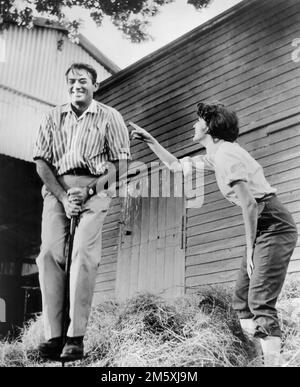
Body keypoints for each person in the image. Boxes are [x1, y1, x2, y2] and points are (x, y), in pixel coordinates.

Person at [129, 102, 298, 367]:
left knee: (259, 300)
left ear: (210, 127)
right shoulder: (216, 153)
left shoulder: (226, 156)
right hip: (263, 223)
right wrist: (151, 140)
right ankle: (256, 360)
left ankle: (274, 363)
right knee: (242, 300)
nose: (193, 125)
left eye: (197, 121)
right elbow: (175, 166)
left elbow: (251, 204)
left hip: (273, 224)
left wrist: (250, 247)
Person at [33, 63, 131, 361]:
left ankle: (75, 338)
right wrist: (63, 197)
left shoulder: (110, 117)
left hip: (95, 188)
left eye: (83, 81)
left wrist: (88, 191)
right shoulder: (52, 116)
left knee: (82, 256)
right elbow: (41, 163)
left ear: (95, 86)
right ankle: (53, 336)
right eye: (72, 81)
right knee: (49, 253)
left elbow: (121, 164)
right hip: (57, 190)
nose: (77, 85)